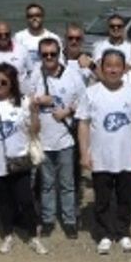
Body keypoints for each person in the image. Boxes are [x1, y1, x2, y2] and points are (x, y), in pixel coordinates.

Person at [77, 50, 131, 254]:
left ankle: (123, 232)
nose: (113, 69)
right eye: (108, 65)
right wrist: (84, 153)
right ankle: (104, 234)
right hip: (100, 156)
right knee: (102, 198)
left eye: (117, 65)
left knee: (125, 197)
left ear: (125, 69)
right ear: (101, 66)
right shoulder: (92, 92)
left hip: (126, 155)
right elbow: (83, 124)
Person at [0, 63, 46, 255]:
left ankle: (34, 236)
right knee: (3, 201)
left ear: (12, 84)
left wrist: (34, 112)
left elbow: (35, 130)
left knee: (26, 199)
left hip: (19, 159)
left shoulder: (23, 102)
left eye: (3, 82)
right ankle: (7, 235)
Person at [25, 37, 86, 239]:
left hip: (65, 137)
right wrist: (38, 103)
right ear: (40, 55)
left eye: (53, 53)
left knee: (67, 183)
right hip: (43, 138)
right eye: (45, 54)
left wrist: (67, 110)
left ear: (59, 53)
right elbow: (28, 102)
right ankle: (48, 218)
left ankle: (69, 220)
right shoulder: (35, 74)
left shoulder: (72, 75)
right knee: (47, 184)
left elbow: (83, 101)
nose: (49, 57)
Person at [14, 2, 61, 70]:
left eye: (37, 15)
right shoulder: (18, 37)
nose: (34, 18)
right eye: (30, 16)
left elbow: (60, 62)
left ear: (43, 16)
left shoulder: (53, 37)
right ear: (26, 18)